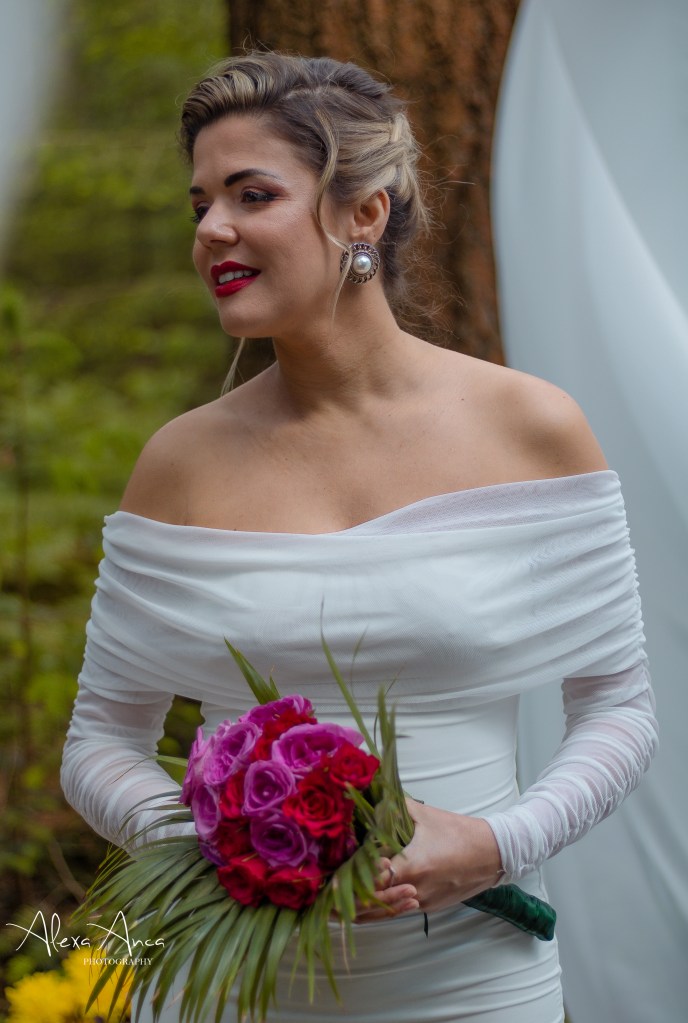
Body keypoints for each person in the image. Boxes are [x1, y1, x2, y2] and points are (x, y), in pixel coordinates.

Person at [61, 51, 658, 1023]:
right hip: (228, 989)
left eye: (252, 194)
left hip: (471, 982)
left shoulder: (531, 429)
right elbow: (100, 740)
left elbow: (618, 711)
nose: (211, 229)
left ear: (364, 213)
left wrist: (496, 846)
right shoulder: (179, 462)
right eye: (200, 204)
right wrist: (212, 847)